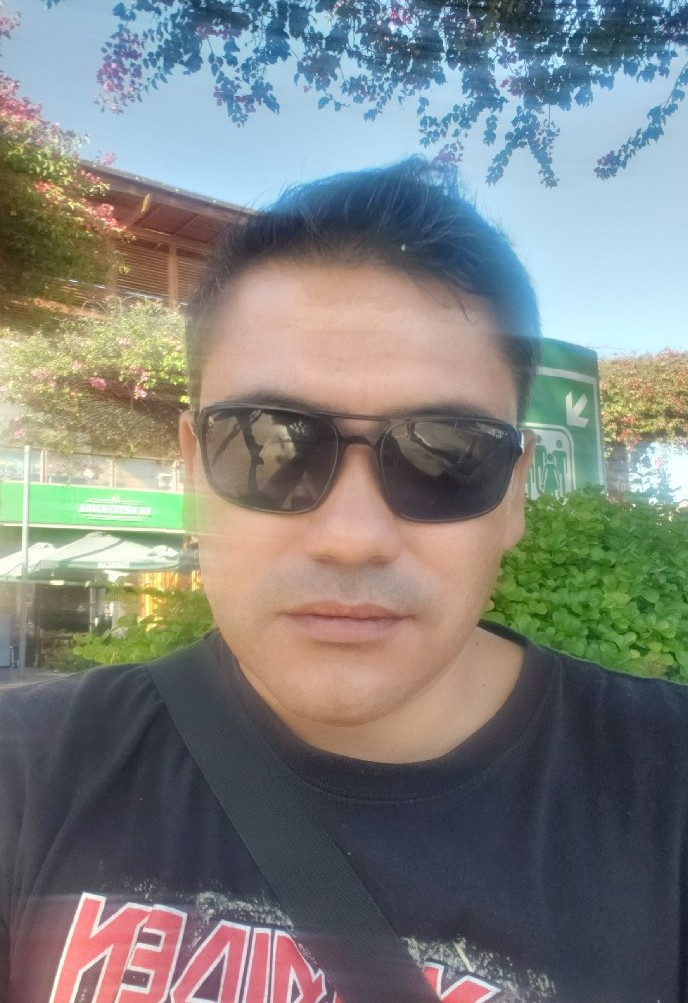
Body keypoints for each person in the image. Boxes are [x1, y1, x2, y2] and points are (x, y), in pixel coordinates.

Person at [1, 160, 686, 1003]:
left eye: (447, 455)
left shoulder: (666, 796)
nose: (351, 538)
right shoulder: (26, 770)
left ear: (513, 493)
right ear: (192, 470)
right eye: (267, 441)